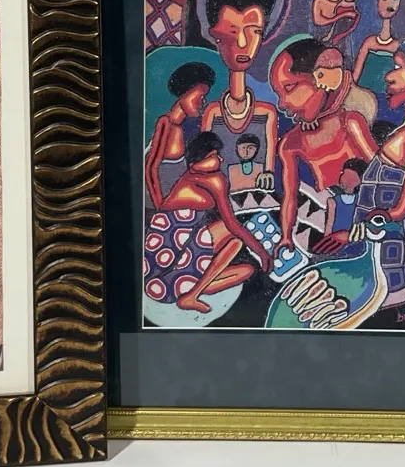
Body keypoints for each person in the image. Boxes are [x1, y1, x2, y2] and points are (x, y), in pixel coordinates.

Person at [313, 33, 405, 308]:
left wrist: (371, 224)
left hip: (399, 254)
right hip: (375, 240)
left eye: (399, 67)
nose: (388, 77)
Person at [143, 131, 274, 314]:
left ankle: (192, 288)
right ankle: (192, 294)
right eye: (215, 155)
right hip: (170, 273)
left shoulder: (188, 176)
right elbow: (232, 224)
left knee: (246, 269)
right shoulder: (215, 180)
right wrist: (261, 252)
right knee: (236, 241)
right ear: (203, 157)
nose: (220, 159)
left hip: (153, 271)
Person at [271, 37, 377, 251]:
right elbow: (290, 196)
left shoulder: (351, 122)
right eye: (278, 94)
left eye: (290, 87)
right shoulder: (290, 143)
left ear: (319, 79)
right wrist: (286, 236)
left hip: (362, 215)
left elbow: (382, 177)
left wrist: (365, 223)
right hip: (327, 217)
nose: (283, 103)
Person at [196, 0, 287, 190]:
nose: (244, 42)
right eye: (232, 31)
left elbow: (270, 166)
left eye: (255, 32)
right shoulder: (212, 112)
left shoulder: (268, 112)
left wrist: (267, 174)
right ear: (216, 37)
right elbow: (203, 159)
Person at [144, 62, 215, 206]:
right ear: (185, 94)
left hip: (179, 191)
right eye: (200, 97)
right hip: (160, 196)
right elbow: (150, 168)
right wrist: (159, 205)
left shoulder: (190, 127)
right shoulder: (166, 123)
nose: (203, 103)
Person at [352, 0, 405, 86]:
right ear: (378, 2)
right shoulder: (369, 42)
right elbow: (355, 75)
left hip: (387, 94)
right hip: (363, 93)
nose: (390, 5)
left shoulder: (398, 46)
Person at [325, 159, 368, 236]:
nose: (343, 178)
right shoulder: (333, 201)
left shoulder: (363, 202)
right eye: (343, 173)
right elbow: (329, 226)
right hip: (336, 240)